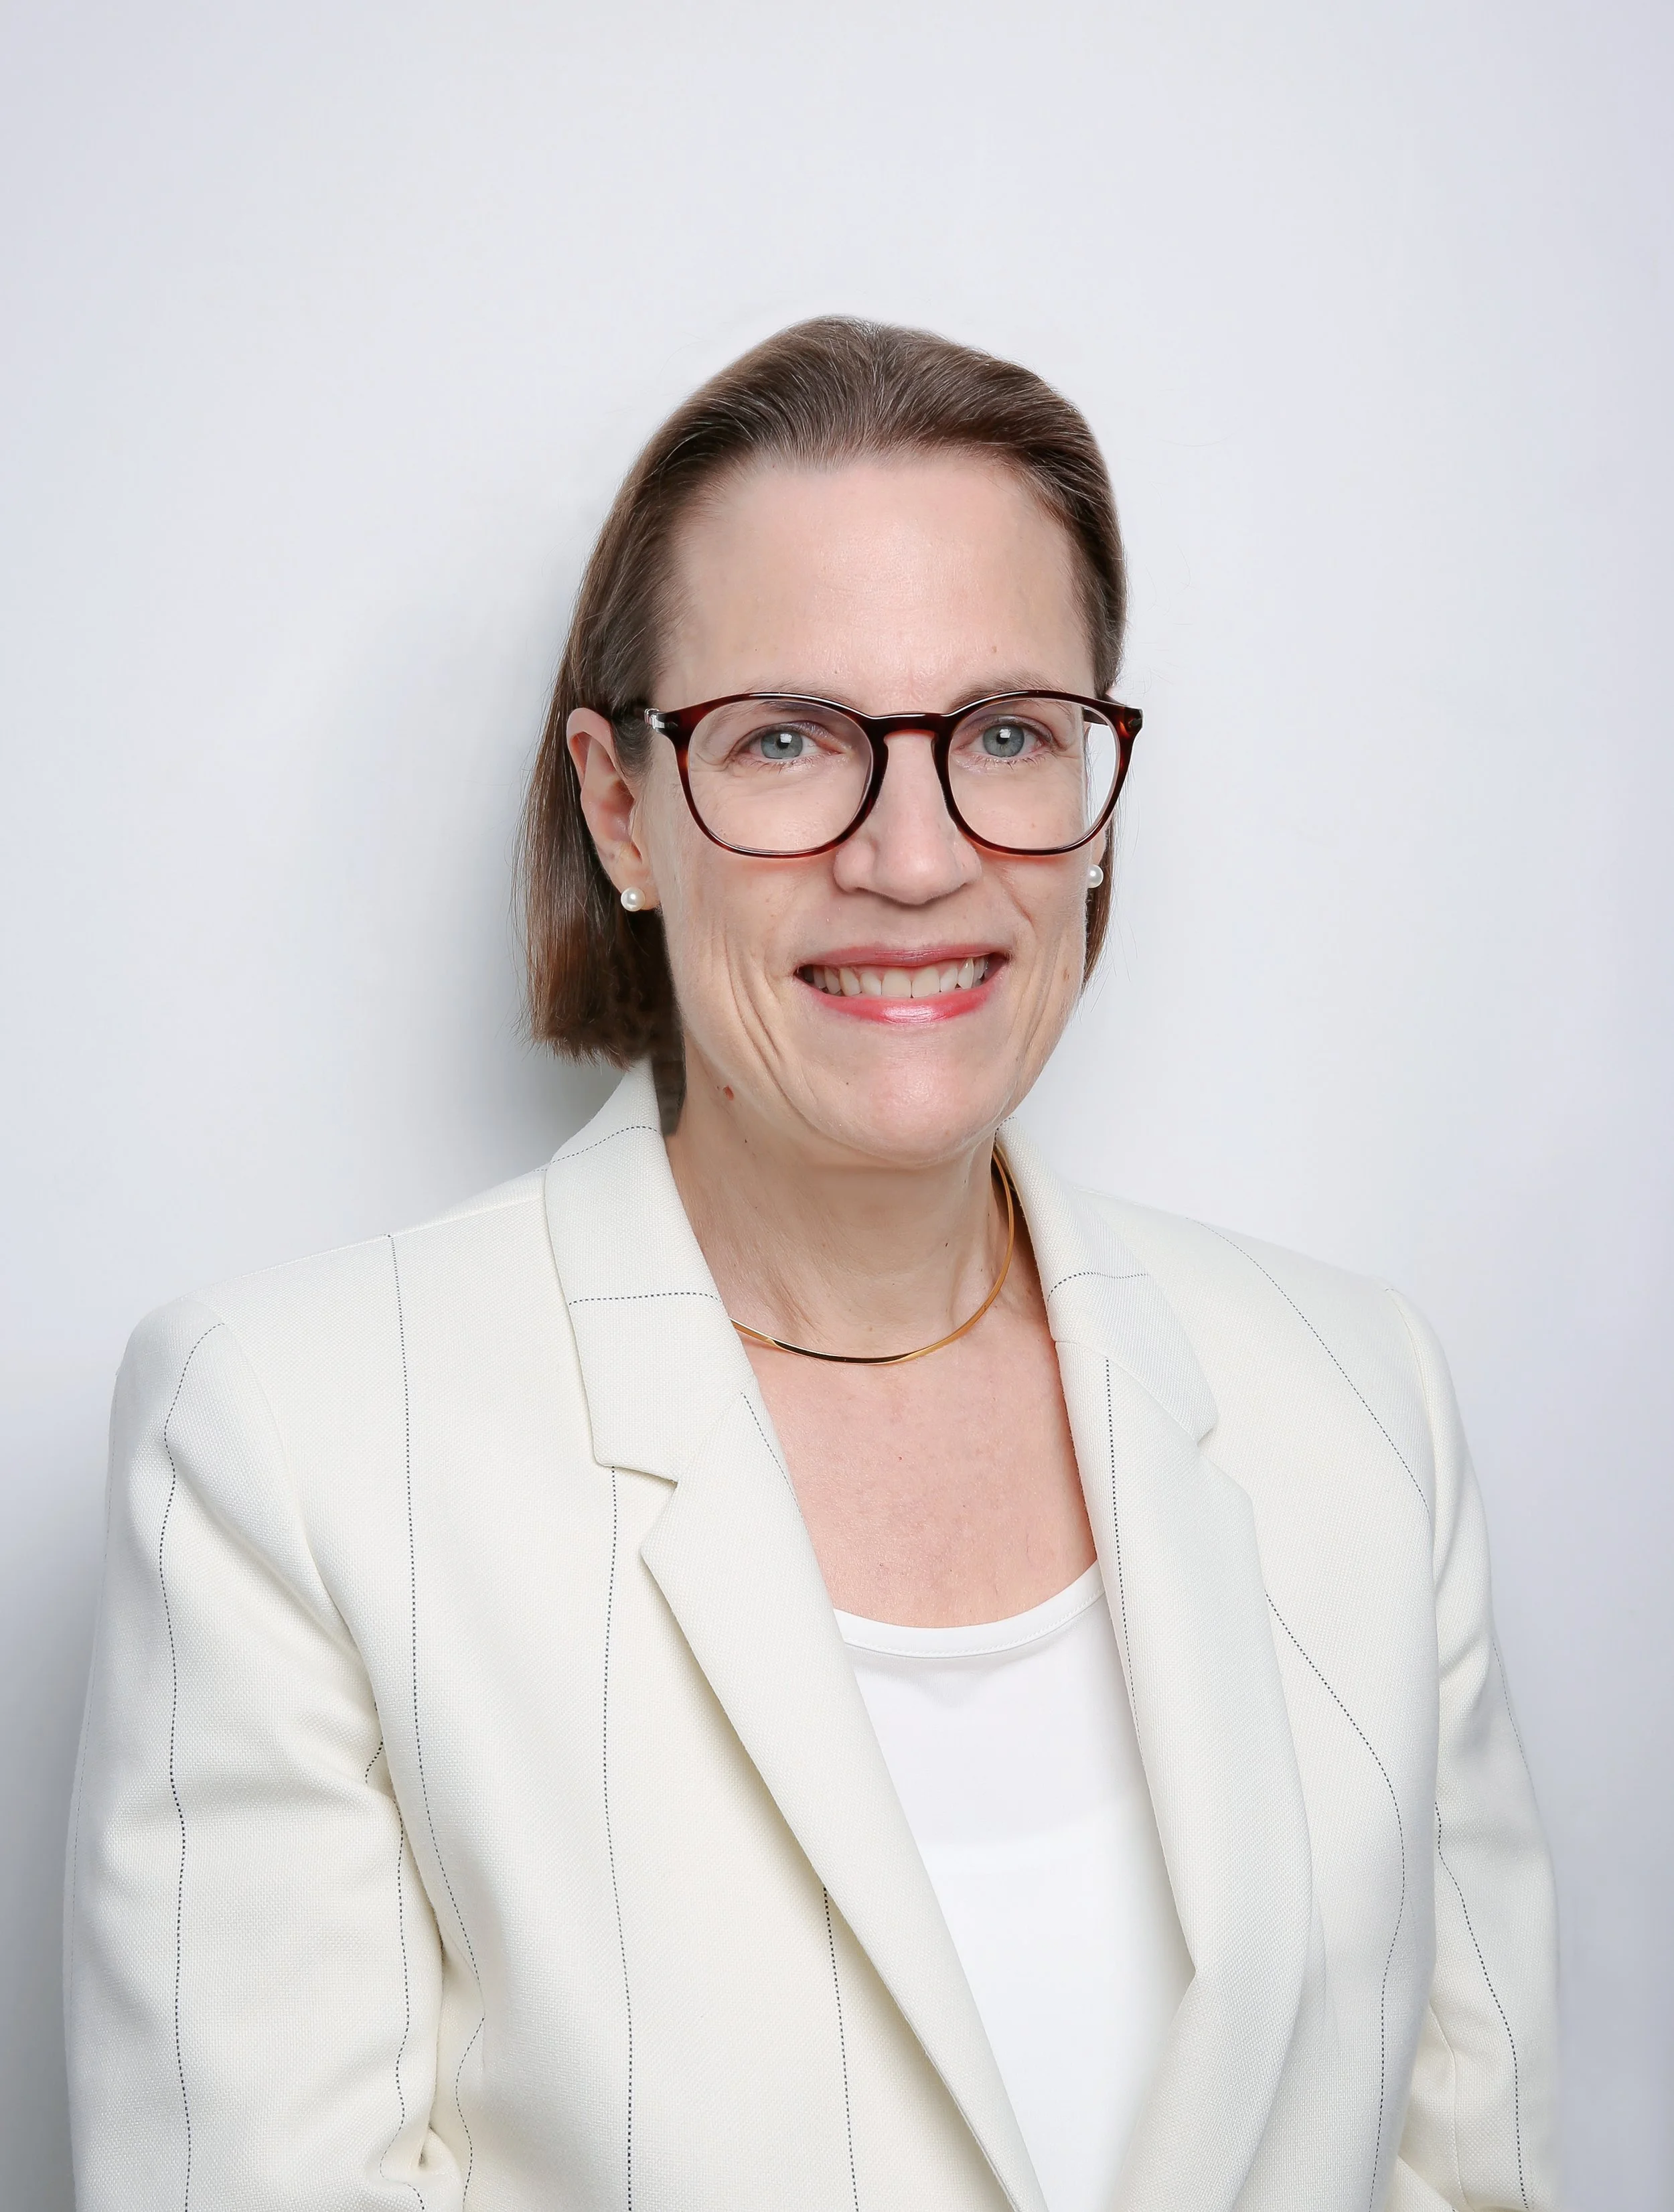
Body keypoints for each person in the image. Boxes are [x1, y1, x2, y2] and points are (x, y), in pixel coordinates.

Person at [64, 317, 1557, 2212]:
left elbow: (1472, 2174)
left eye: (1007, 733)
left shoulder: (1357, 1401)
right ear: (620, 809)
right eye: (788, 741)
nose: (917, 857)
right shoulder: (291, 1443)